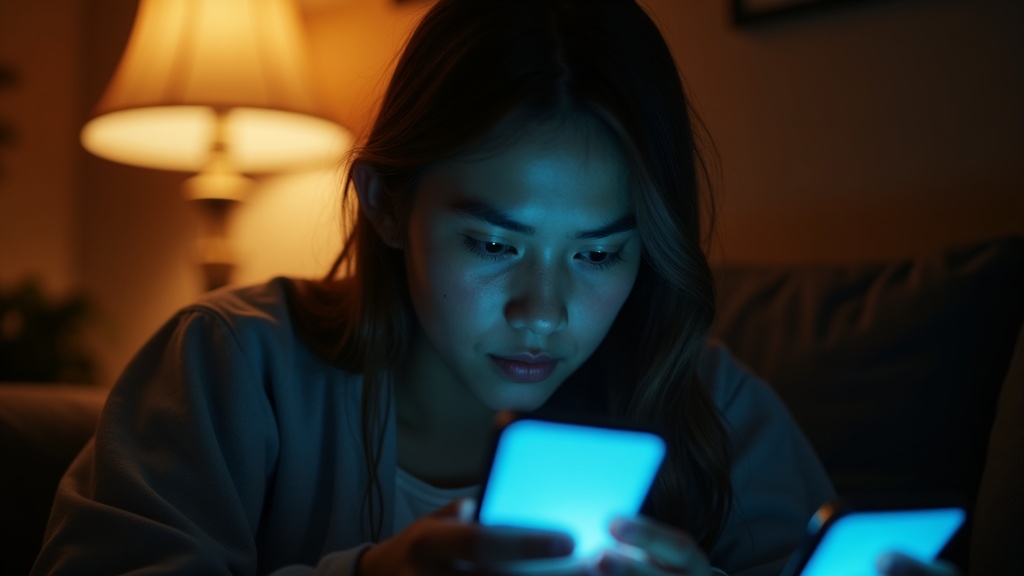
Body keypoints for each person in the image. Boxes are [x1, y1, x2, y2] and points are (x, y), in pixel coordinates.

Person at [32, 1, 962, 575]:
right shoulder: (231, 367)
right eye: (492, 241)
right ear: (389, 208)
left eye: (599, 255)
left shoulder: (706, 400)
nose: (544, 311)